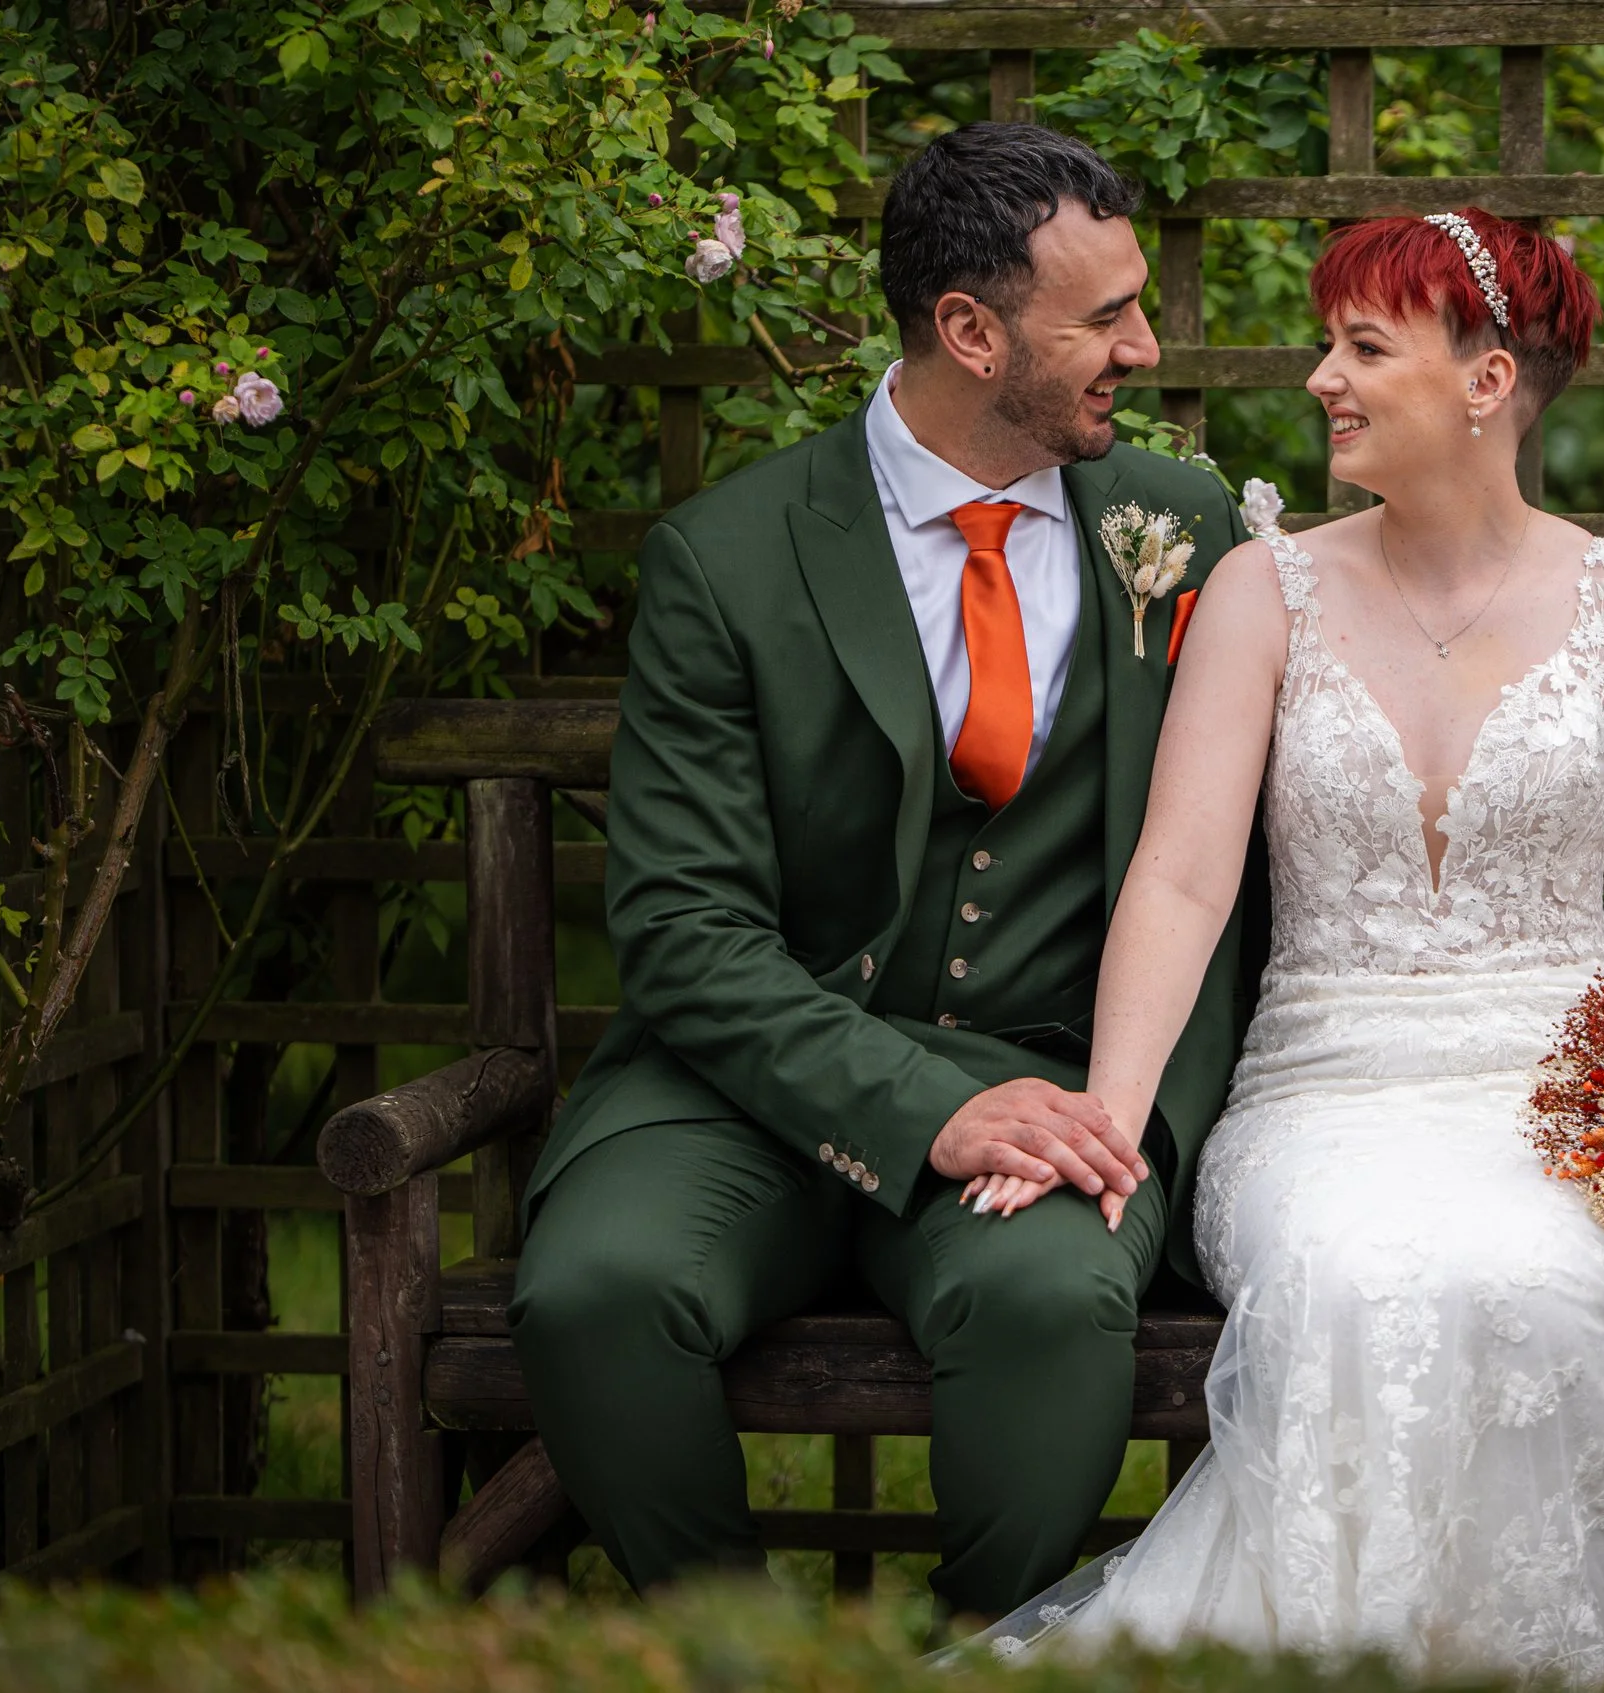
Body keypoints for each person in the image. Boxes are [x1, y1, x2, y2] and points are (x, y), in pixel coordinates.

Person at [962, 209, 1604, 1686]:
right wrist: (1109, 1121)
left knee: (1531, 1280)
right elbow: (1183, 882)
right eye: (1331, 343)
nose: (1323, 376)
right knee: (1356, 1273)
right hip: (1322, 1097)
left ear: (1487, 381)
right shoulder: (1269, 590)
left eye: (1365, 347)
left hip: (1558, 1106)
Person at [506, 123, 1257, 1620]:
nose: (1145, 345)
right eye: (1102, 319)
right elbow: (681, 928)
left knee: (1051, 1301)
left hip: (1055, 1076)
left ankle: (990, 1655)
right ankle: (742, 1661)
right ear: (970, 334)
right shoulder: (728, 557)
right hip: (743, 1084)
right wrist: (928, 1108)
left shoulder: (1180, 528)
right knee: (594, 1290)